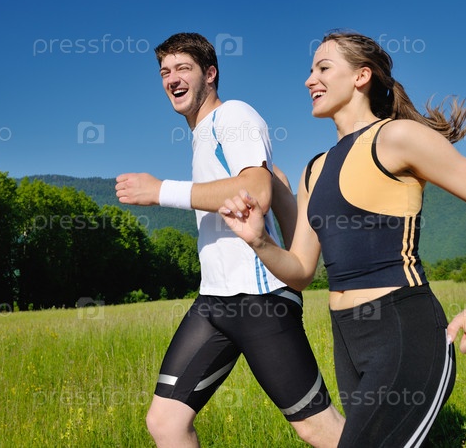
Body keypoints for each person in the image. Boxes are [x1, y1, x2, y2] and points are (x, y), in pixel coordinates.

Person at [220, 31, 466, 447]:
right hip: (347, 338)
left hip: (403, 331)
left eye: (323, 68)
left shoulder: (396, 138)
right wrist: (259, 242)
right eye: (310, 70)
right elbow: (303, 272)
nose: (310, 80)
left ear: (362, 76)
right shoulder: (314, 170)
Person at [115, 32, 344, 447]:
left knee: (317, 428)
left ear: (211, 73)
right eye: (165, 72)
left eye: (183, 68)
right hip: (214, 302)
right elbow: (269, 184)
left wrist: (160, 191)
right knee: (165, 422)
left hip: (260, 300)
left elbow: (255, 191)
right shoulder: (203, 135)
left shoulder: (233, 116)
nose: (172, 79)